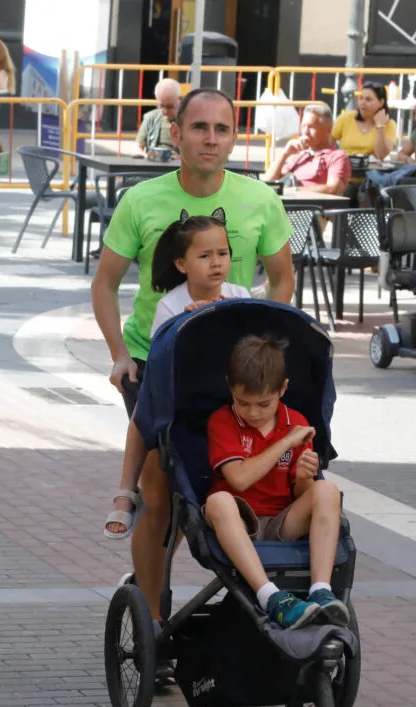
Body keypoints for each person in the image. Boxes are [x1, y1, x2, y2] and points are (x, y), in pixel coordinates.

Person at [91, 87, 295, 636]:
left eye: (222, 129)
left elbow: (282, 279)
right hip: (156, 363)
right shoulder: (141, 201)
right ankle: (153, 617)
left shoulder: (260, 199)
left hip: (234, 372)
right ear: (176, 133)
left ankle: (164, 582)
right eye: (199, 127)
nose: (210, 139)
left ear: (234, 137)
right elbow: (105, 283)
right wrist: (118, 355)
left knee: (211, 486)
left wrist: (264, 351)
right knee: (160, 491)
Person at [104, 212, 251, 539]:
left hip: (232, 391)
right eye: (205, 256)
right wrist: (188, 325)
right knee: (143, 407)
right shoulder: (172, 305)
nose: (216, 262)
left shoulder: (240, 295)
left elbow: (252, 348)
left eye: (223, 253)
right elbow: (164, 361)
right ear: (182, 264)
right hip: (185, 394)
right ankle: (126, 490)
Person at [203, 334, 349, 628]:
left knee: (327, 490)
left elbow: (301, 493)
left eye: (263, 404)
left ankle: (321, 590)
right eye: (243, 403)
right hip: (239, 522)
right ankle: (270, 596)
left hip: (282, 520)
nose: (253, 413)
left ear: (282, 389)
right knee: (218, 501)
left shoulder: (295, 421)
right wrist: (285, 443)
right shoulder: (223, 421)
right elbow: (239, 479)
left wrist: (304, 477)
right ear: (230, 388)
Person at [263, 103, 350, 195]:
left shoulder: (337, 157)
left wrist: (294, 190)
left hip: (311, 203)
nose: (305, 131)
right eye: (303, 126)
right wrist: (285, 154)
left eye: (311, 127)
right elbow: (267, 181)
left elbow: (333, 189)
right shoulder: (301, 156)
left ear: (328, 130)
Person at [331, 81, 395, 198]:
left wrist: (380, 126)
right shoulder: (346, 118)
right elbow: (327, 143)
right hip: (344, 179)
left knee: (366, 195)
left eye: (368, 99)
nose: (362, 103)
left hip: (371, 181)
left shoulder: (389, 124)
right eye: (361, 98)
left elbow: (380, 155)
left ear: (381, 102)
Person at [135, 78, 180, 157]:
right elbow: (138, 147)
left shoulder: (189, 121)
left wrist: (180, 158)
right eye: (161, 106)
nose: (165, 111)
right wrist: (145, 155)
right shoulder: (151, 117)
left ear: (179, 100)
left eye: (169, 106)